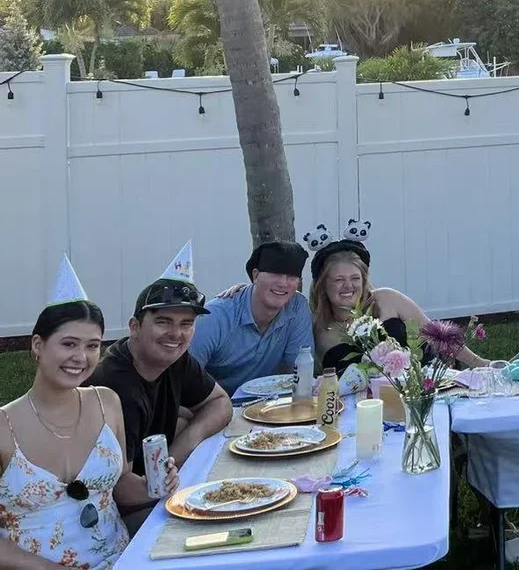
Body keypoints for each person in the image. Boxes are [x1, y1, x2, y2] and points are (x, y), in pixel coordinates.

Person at [0, 256, 162, 569]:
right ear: (37, 345)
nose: (81, 357)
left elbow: (120, 483)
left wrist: (154, 486)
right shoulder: (4, 426)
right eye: (69, 344)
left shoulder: (106, 403)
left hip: (122, 559)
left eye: (92, 346)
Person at [85, 243, 230, 532]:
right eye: (163, 322)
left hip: (155, 486)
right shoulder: (115, 384)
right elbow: (120, 489)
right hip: (110, 515)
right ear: (134, 326)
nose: (176, 334)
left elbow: (220, 403)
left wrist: (178, 450)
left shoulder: (175, 359)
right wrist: (168, 480)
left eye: (186, 324)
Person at [306, 223, 494, 371]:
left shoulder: (386, 299)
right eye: (338, 279)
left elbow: (438, 336)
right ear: (323, 285)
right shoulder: (316, 328)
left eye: (355, 278)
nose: (348, 286)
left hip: (425, 390)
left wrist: (480, 364)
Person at [189, 240, 313, 395]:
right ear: (255, 275)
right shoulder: (214, 316)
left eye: (292, 276)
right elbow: (184, 378)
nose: (283, 283)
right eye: (275, 273)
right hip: (213, 402)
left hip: (270, 404)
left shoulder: (297, 306)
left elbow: (300, 371)